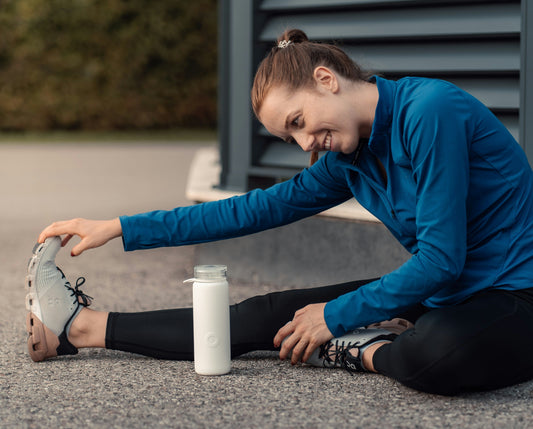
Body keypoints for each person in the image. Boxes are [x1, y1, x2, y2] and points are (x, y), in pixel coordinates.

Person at [26, 29, 533, 396]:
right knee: (271, 314)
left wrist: (336, 318)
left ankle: (363, 350)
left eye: (300, 121)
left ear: (326, 79)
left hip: (514, 294)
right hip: (444, 292)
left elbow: (442, 259)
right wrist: (118, 227)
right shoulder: (347, 160)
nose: (307, 142)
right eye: (291, 137)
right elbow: (250, 211)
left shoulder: (429, 112)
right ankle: (78, 328)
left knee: (433, 355)